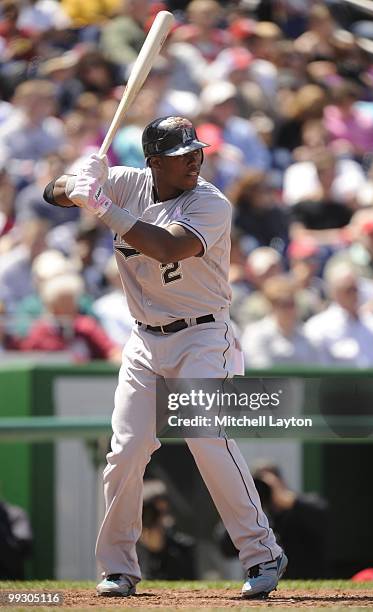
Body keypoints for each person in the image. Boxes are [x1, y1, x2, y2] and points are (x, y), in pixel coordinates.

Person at [44, 116, 288, 599]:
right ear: (153, 162)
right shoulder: (128, 183)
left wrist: (103, 208)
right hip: (144, 339)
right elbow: (49, 193)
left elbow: (167, 247)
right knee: (127, 450)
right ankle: (118, 567)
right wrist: (77, 181)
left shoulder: (210, 202)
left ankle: (263, 553)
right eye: (180, 154)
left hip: (202, 334)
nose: (194, 159)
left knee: (206, 438)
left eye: (196, 150)